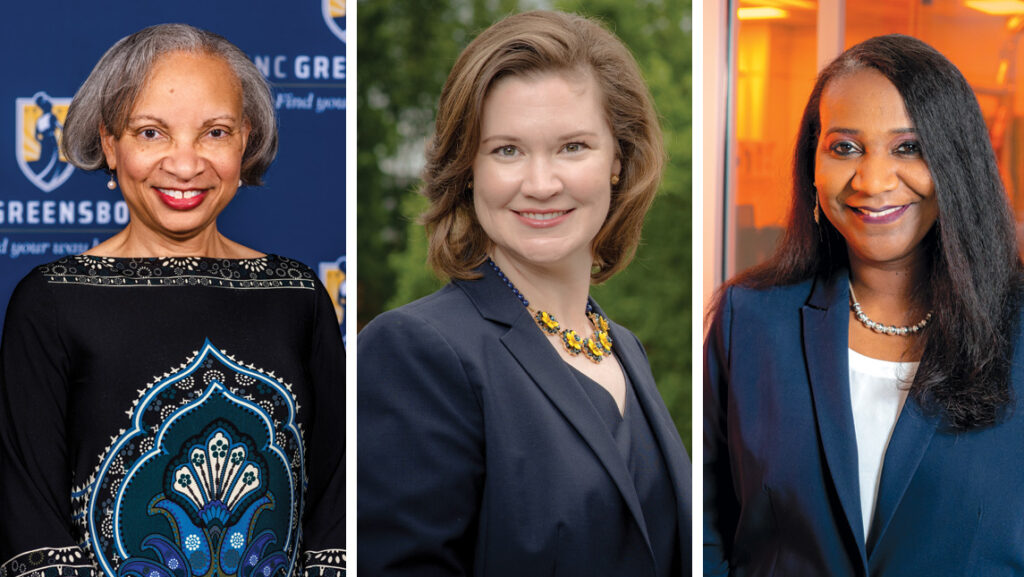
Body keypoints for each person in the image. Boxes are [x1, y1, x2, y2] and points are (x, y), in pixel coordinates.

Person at [0, 24, 345, 577]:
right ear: (110, 144)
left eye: (214, 133)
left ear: (246, 142)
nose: (186, 166)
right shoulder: (51, 302)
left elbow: (336, 524)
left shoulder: (298, 296)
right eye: (152, 133)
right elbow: (30, 537)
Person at [358, 10, 691, 577]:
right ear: (468, 170)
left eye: (573, 147)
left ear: (619, 159)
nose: (540, 184)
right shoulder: (417, 352)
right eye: (507, 150)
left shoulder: (624, 349)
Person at [704, 34, 1024, 575]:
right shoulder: (750, 321)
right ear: (813, 163)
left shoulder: (1017, 331)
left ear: (957, 164)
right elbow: (708, 527)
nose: (872, 181)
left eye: (909, 147)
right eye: (845, 147)